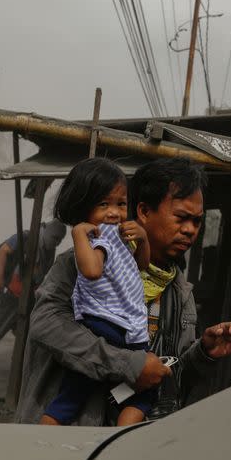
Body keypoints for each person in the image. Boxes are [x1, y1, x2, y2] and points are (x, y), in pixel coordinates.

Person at [15, 157, 231, 426]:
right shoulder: (80, 264)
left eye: (197, 222)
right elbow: (46, 325)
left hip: (128, 444)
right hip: (69, 435)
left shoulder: (178, 291)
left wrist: (204, 353)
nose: (190, 230)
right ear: (144, 212)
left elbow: (169, 373)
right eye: (182, 218)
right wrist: (127, 363)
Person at [40, 159, 154, 427]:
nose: (114, 213)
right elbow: (91, 270)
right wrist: (79, 233)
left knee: (78, 394)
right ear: (82, 206)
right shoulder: (99, 239)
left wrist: (144, 239)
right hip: (109, 324)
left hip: (125, 326)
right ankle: (115, 433)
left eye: (121, 203)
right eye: (103, 204)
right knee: (136, 391)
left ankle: (114, 429)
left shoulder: (119, 239)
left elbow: (142, 264)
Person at [0, 218, 66, 371]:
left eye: (60, 239)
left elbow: (42, 274)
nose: (57, 242)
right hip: (10, 293)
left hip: (27, 296)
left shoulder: (49, 249)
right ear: (47, 232)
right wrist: (0, 278)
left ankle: (18, 362)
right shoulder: (26, 237)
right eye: (55, 238)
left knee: (23, 331)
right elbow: (3, 251)